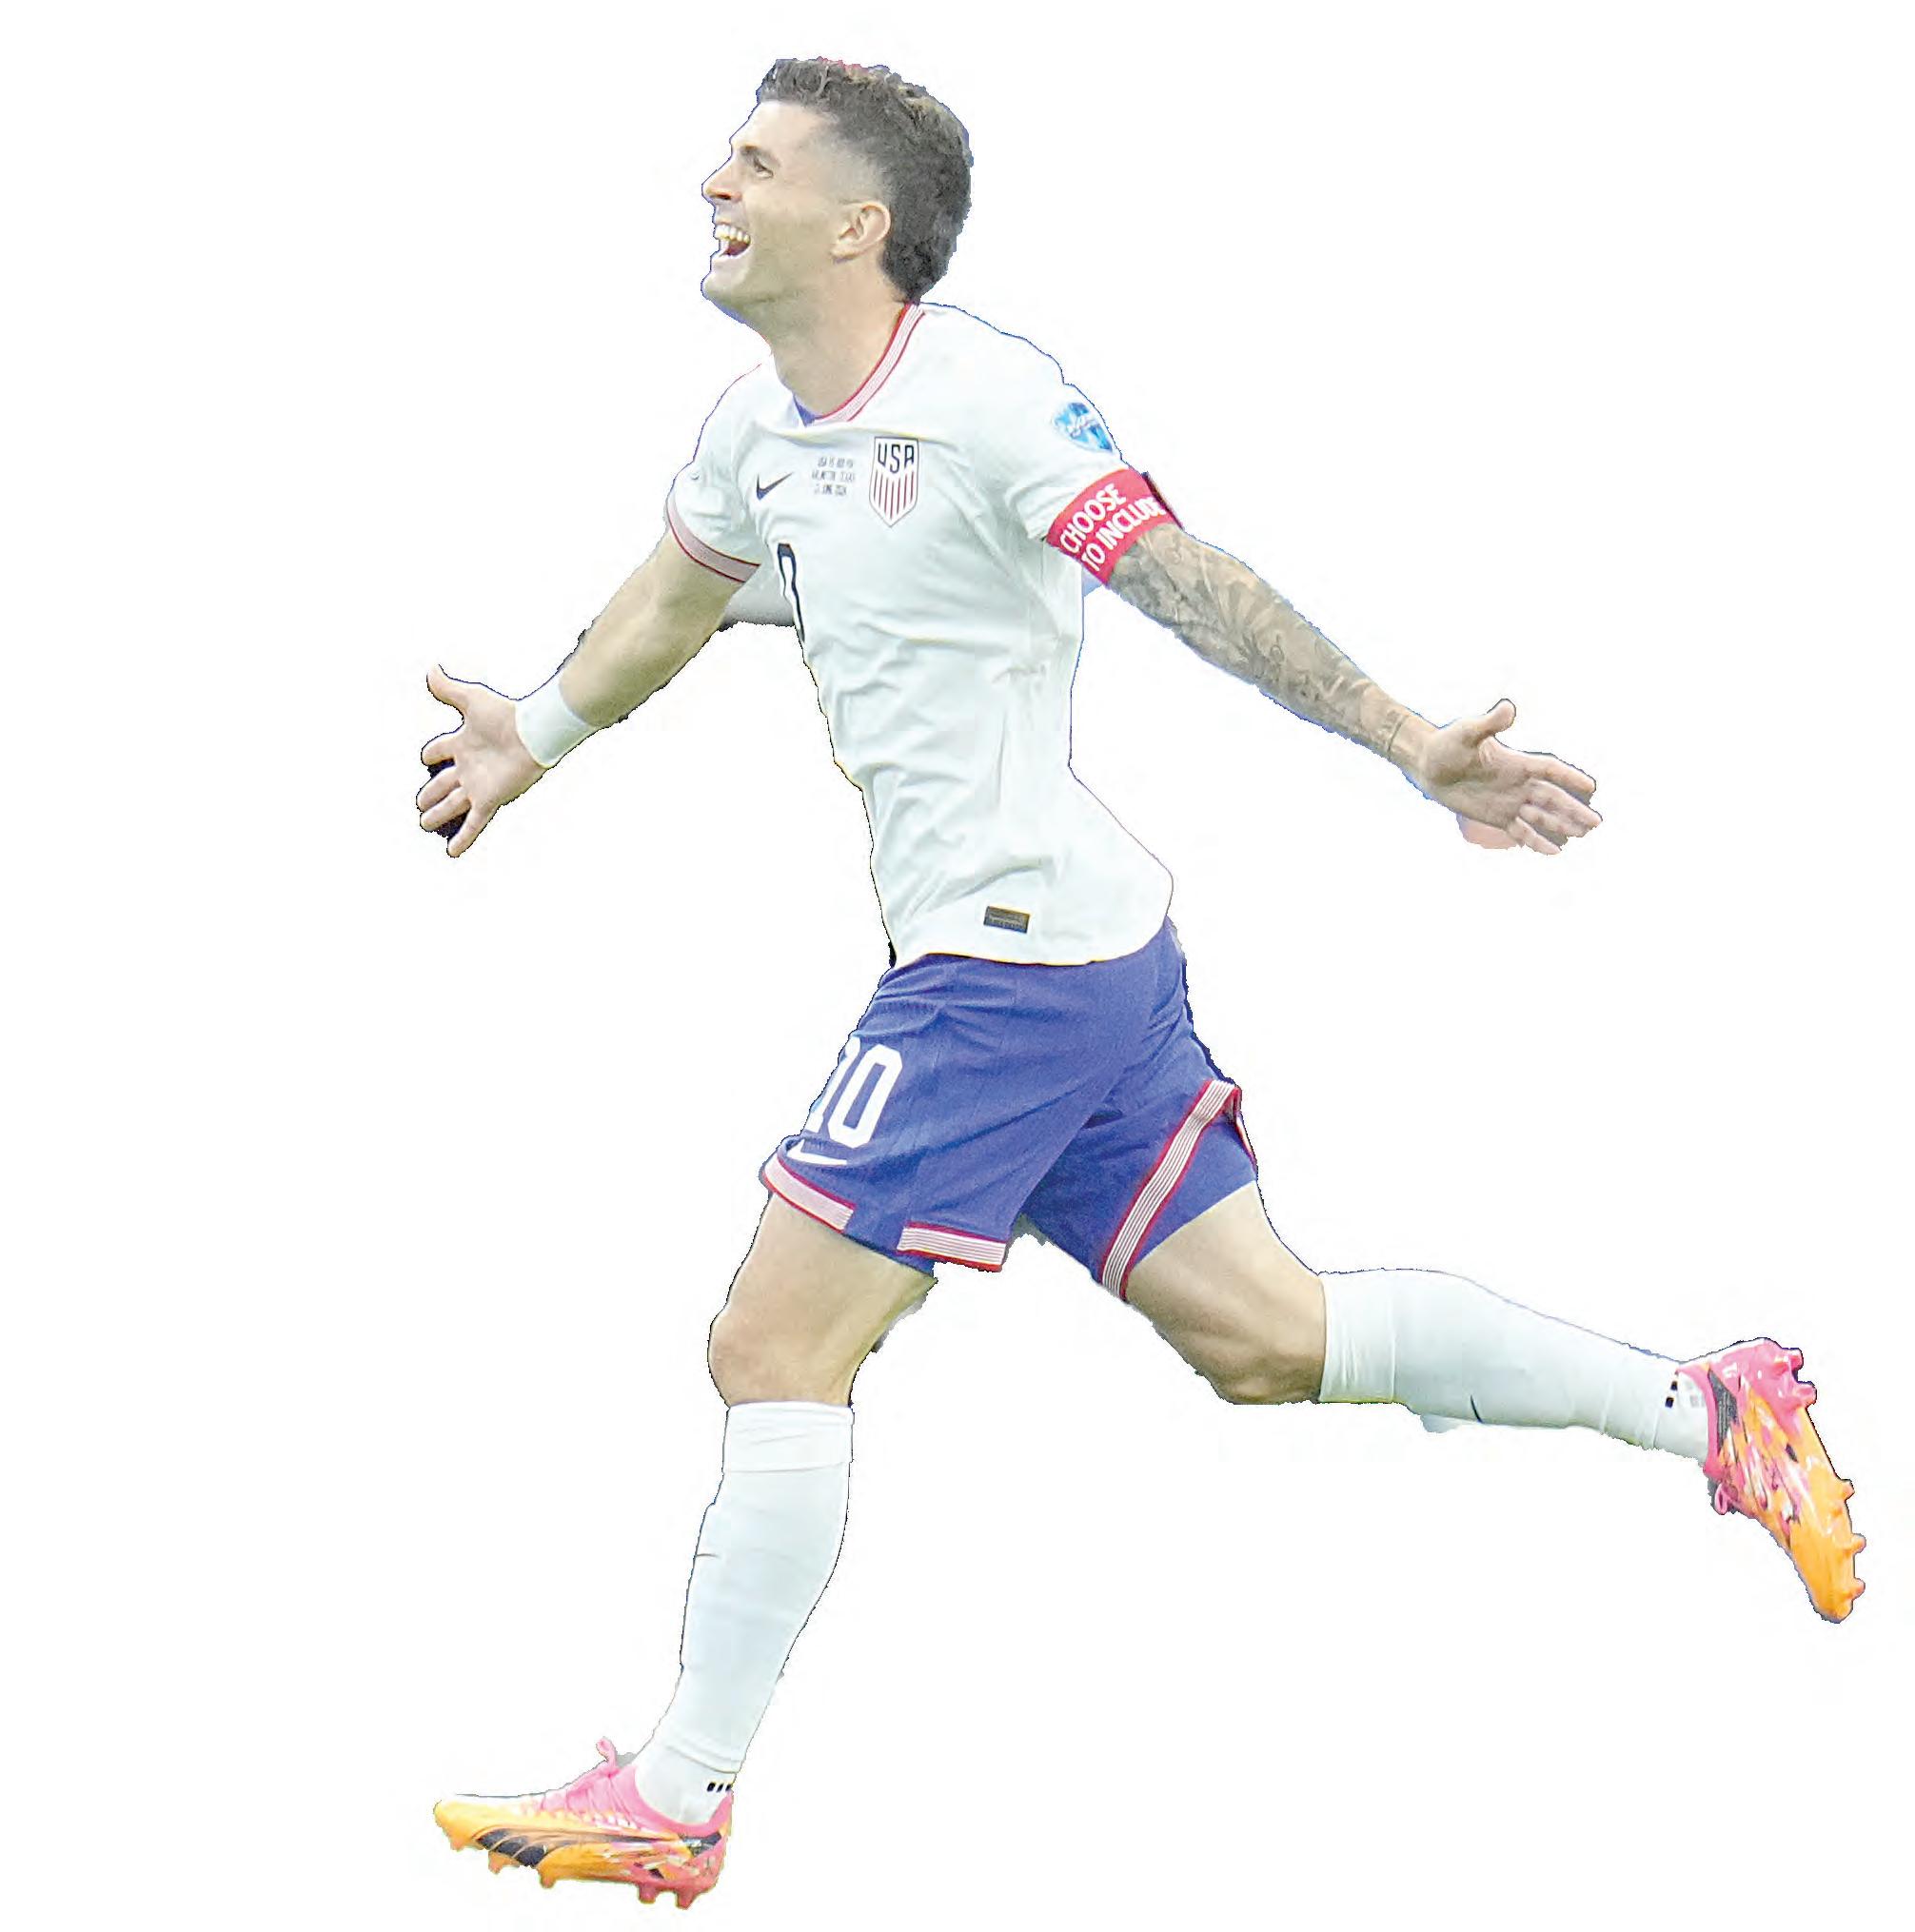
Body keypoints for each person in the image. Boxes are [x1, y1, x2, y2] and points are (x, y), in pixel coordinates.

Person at [419, 56, 1862, 1910]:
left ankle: (679, 1792)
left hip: (1003, 971)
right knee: (1271, 1337)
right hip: (1083, 955)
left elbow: (1187, 580)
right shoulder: (756, 429)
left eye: (755, 163)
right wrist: (533, 733)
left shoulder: (986, 399)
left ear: (858, 224)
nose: (714, 181)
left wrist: (1409, 739)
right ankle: (1711, 1404)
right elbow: (674, 597)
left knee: (771, 1344)